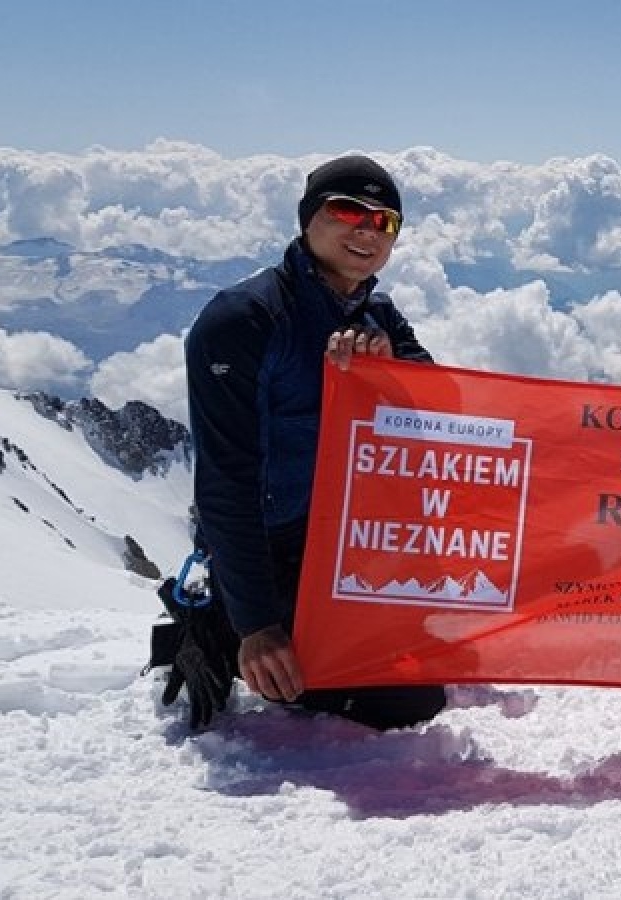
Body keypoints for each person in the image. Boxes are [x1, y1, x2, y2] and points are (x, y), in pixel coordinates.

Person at [183, 154, 448, 730]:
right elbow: (227, 481)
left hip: (344, 542)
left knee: (442, 645)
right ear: (308, 220)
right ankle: (214, 630)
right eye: (348, 210)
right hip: (273, 551)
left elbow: (444, 408)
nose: (366, 229)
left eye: (385, 222)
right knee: (407, 700)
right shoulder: (244, 320)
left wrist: (391, 371)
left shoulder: (378, 315)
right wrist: (256, 626)